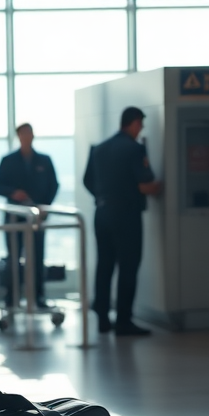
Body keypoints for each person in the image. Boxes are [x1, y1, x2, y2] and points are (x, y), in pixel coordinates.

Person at [83, 106, 163, 336]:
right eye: (141, 125)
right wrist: (159, 188)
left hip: (102, 212)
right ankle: (124, 320)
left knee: (105, 265)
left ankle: (102, 318)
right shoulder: (134, 149)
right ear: (135, 123)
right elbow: (144, 184)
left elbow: (88, 180)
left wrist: (104, 195)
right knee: (128, 266)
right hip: (126, 215)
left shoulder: (99, 149)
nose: (142, 130)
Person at [0, 123, 60, 307]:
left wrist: (45, 207)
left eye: (29, 133)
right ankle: (11, 298)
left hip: (37, 216)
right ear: (18, 136)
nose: (27, 136)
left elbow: (54, 185)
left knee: (37, 257)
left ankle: (38, 296)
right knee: (13, 257)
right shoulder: (8, 160)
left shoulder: (44, 160)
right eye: (23, 133)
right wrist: (13, 193)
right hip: (15, 216)